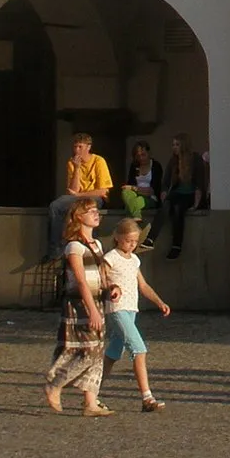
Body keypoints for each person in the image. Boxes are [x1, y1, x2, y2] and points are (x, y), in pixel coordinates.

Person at [43, 199, 112, 417]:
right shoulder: (74, 246)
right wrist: (91, 309)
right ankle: (56, 384)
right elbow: (81, 281)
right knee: (87, 351)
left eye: (96, 210)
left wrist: (112, 289)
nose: (95, 214)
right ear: (78, 217)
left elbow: (102, 276)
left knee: (98, 350)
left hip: (97, 301)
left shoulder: (97, 245)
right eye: (90, 211)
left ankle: (90, 402)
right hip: (79, 304)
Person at [100, 216, 171, 412]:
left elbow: (143, 285)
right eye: (128, 241)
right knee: (139, 349)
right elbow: (101, 278)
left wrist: (159, 302)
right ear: (117, 238)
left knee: (113, 353)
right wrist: (111, 288)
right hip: (117, 308)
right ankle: (147, 397)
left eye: (134, 241)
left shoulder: (134, 260)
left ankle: (93, 391)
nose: (131, 245)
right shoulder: (111, 257)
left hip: (131, 309)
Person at [46, 133, 114, 256]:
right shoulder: (72, 163)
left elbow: (103, 191)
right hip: (77, 198)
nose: (77, 150)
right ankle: (55, 248)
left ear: (88, 147)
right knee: (56, 205)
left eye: (80, 147)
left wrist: (78, 195)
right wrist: (77, 168)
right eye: (75, 147)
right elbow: (72, 190)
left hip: (96, 198)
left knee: (85, 206)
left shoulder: (98, 161)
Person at [160, 133, 207, 260]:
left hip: (190, 195)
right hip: (177, 193)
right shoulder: (173, 161)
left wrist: (196, 204)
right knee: (167, 206)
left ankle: (176, 245)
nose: (174, 147)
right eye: (173, 144)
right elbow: (166, 181)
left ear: (183, 145)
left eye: (177, 144)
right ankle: (150, 238)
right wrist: (164, 195)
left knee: (178, 209)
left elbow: (200, 183)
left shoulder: (195, 159)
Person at [121, 143, 160, 244]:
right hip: (134, 195)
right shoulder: (134, 166)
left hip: (150, 197)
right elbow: (128, 186)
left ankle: (131, 225)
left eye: (143, 155)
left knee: (133, 203)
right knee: (126, 192)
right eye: (138, 156)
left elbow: (153, 190)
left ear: (149, 153)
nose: (141, 158)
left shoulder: (156, 166)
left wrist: (135, 188)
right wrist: (132, 189)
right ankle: (137, 218)